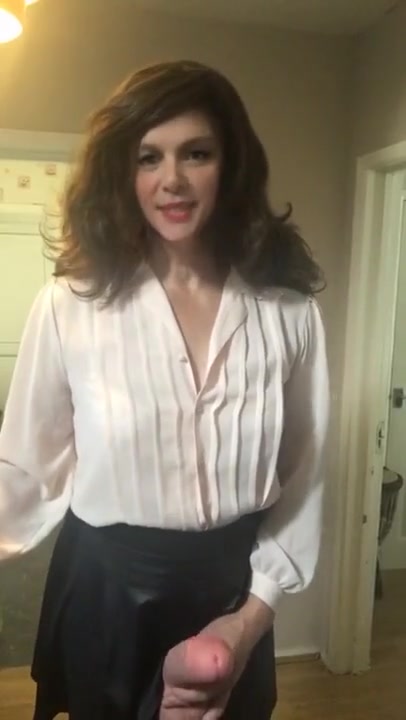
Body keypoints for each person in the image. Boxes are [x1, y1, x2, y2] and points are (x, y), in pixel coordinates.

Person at [0, 60, 329, 720]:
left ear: (230, 165)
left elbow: (303, 481)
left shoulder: (290, 315)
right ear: (123, 173)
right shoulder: (70, 306)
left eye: (196, 153)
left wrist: (248, 621)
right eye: (148, 157)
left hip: (233, 596)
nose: (171, 179)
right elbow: (26, 471)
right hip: (104, 594)